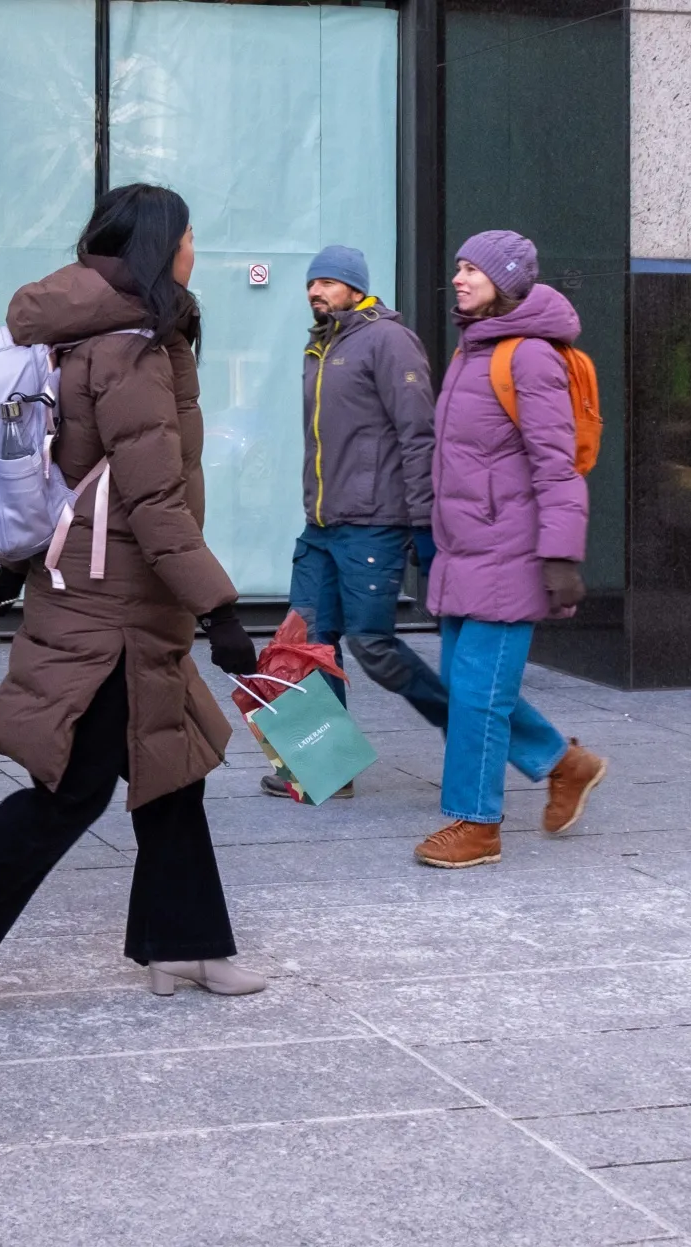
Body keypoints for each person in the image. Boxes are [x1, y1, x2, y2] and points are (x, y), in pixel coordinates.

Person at [0, 184, 268, 1022]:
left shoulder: (81, 338)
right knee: (73, 789)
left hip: (100, 598)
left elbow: (66, 478)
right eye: (190, 236)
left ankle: (184, 944)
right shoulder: (131, 351)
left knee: (172, 771)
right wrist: (221, 611)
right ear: (163, 247)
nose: (197, 249)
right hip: (115, 617)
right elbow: (153, 502)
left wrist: (18, 573)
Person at [415, 229, 607, 869]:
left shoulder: (528, 357)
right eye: (459, 267)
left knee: (476, 695)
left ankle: (475, 823)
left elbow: (556, 468)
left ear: (508, 280)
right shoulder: (474, 350)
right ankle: (562, 762)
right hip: (464, 549)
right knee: (462, 684)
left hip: (513, 552)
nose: (460, 278)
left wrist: (560, 557)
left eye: (474, 269)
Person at [268, 244, 448, 801]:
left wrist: (424, 525)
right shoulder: (321, 346)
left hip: (374, 524)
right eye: (310, 283)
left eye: (326, 282)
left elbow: (419, 436)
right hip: (321, 525)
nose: (314, 291)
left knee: (373, 645)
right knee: (308, 641)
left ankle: (467, 726)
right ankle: (325, 767)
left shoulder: (389, 340)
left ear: (354, 287)